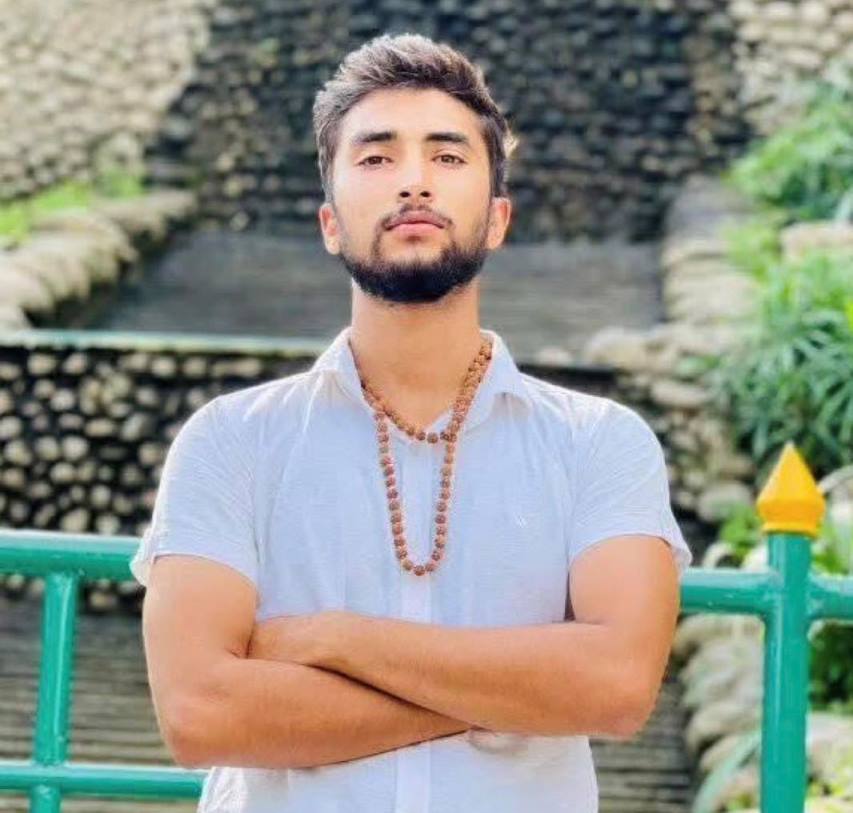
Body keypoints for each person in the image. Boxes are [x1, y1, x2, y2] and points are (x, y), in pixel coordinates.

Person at [133, 32, 693, 813]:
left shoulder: (598, 441)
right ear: (330, 223)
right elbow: (201, 713)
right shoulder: (231, 439)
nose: (413, 180)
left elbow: (616, 687)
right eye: (376, 157)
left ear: (496, 219)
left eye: (447, 155)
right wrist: (521, 694)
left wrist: (334, 639)